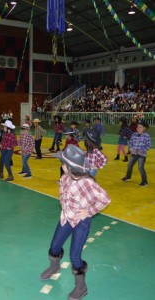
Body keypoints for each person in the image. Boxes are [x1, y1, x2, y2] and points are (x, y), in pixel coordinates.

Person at [40, 144, 111, 300]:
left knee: (75, 256)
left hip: (81, 221)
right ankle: (55, 266)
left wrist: (89, 212)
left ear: (71, 167)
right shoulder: (65, 177)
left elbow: (105, 199)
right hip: (66, 217)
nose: (62, 165)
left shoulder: (86, 182)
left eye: (63, 163)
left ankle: (81, 287)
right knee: (54, 246)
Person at [121, 120, 151, 187]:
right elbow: (130, 143)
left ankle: (144, 182)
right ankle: (128, 177)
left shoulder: (146, 136)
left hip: (142, 154)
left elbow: (148, 145)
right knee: (129, 165)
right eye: (137, 127)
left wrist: (142, 150)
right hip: (134, 153)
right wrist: (131, 149)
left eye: (140, 127)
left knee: (140, 167)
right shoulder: (134, 134)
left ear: (144, 128)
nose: (138, 128)